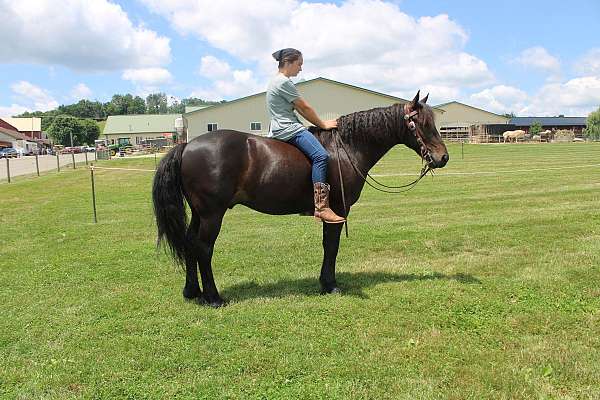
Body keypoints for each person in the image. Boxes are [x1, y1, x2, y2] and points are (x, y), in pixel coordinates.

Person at [266, 48, 345, 224]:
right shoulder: (283, 83)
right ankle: (321, 207)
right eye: (299, 64)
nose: (300, 69)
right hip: (289, 128)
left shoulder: (274, 81)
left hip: (280, 127)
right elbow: (305, 108)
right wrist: (323, 124)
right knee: (321, 156)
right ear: (288, 62)